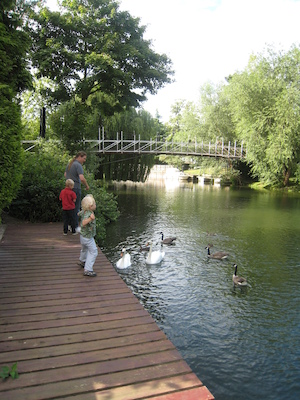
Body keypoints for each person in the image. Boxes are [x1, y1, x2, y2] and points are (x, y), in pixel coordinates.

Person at [64, 151, 89, 228]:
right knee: (76, 208)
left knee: (69, 208)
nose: (84, 160)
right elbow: (81, 178)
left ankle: (68, 226)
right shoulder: (78, 165)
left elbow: (65, 175)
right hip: (76, 188)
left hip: (67, 189)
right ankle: (75, 226)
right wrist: (87, 186)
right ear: (80, 157)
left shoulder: (70, 164)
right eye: (84, 158)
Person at [78, 194, 98, 277]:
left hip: (83, 236)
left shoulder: (84, 211)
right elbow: (83, 223)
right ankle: (88, 269)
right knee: (93, 251)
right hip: (88, 237)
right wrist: (90, 219)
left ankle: (82, 260)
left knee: (84, 248)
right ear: (90, 206)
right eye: (94, 204)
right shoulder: (89, 214)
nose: (95, 205)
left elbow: (79, 214)